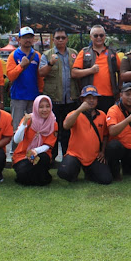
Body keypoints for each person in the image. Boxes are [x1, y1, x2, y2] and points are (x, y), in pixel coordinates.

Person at [39, 27, 79, 164]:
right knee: (53, 131)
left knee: (69, 131)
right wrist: (51, 63)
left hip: (71, 99)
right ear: (53, 39)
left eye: (63, 37)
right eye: (57, 38)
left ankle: (68, 158)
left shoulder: (74, 54)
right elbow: (41, 73)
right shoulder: (47, 55)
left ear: (67, 39)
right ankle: (52, 157)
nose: (60, 40)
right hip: (54, 100)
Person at [58, 85, 112, 184]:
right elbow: (66, 126)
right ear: (82, 99)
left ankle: (89, 172)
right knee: (64, 172)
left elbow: (105, 136)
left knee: (106, 179)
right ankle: (75, 171)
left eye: (94, 98)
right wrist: (79, 110)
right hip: (75, 155)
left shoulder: (102, 115)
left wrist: (102, 152)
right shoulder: (74, 113)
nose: (91, 101)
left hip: (94, 156)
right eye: (88, 98)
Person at [7, 27, 44, 147]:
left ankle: (30, 150)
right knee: (17, 126)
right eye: (25, 37)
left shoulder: (37, 55)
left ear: (33, 39)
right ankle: (14, 153)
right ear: (19, 39)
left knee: (33, 126)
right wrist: (21, 66)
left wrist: (41, 93)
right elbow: (10, 76)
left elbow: (40, 77)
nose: (27, 40)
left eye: (30, 37)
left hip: (33, 96)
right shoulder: (13, 55)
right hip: (18, 96)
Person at [72, 25, 121, 114]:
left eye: (101, 35)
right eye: (96, 35)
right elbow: (74, 73)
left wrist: (119, 90)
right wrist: (90, 70)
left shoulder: (112, 53)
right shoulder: (84, 52)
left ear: (105, 36)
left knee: (107, 123)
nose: (99, 38)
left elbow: (121, 72)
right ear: (91, 37)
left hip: (109, 96)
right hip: (90, 96)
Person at [12, 95, 58, 186]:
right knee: (23, 173)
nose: (45, 110)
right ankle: (37, 177)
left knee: (43, 158)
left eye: (47, 106)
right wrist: (24, 124)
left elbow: (48, 145)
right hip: (23, 155)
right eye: (41, 107)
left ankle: (37, 177)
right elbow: (16, 140)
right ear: (36, 107)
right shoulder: (29, 119)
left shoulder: (53, 122)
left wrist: (35, 151)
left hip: (40, 155)